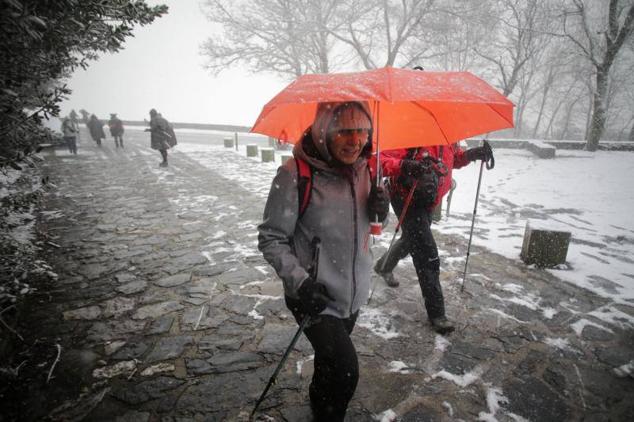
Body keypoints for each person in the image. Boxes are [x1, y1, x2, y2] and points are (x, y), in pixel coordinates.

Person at [257, 101, 389, 421]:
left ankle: (318, 397)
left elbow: (371, 229)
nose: (355, 139)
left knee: (330, 360)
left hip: (352, 294)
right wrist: (301, 284)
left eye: (362, 130)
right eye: (344, 130)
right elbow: (271, 238)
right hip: (312, 296)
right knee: (346, 372)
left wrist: (381, 210)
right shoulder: (294, 174)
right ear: (323, 131)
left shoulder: (367, 169)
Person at [376, 141, 494, 334]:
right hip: (406, 197)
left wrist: (471, 155)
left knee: (411, 239)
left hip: (428, 199)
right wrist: (406, 166)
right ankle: (437, 313)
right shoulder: (413, 133)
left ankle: (383, 266)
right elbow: (382, 160)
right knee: (426, 253)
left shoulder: (447, 136)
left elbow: (452, 158)